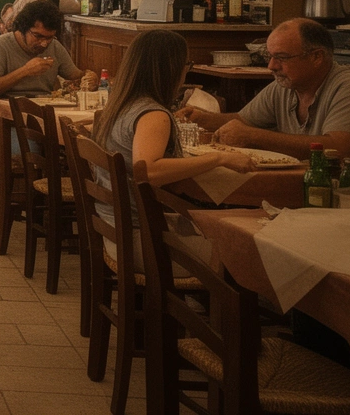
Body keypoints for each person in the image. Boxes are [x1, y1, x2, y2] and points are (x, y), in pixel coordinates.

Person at [91, 30, 253, 264]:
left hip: (114, 227)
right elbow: (149, 171)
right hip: (141, 240)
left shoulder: (122, 104)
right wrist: (219, 159)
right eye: (186, 63)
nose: (186, 70)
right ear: (171, 68)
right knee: (241, 251)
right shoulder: (152, 114)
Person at [177, 19, 350, 160]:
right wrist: (203, 119)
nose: (271, 66)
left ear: (316, 57)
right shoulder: (284, 86)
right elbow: (243, 121)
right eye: (270, 56)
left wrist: (254, 137)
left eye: (281, 57)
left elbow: (338, 148)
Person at [0, 0, 98, 102]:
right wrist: (25, 71)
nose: (44, 43)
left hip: (45, 110)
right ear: (23, 28)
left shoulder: (55, 46)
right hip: (8, 115)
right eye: (38, 36)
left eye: (49, 37)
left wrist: (88, 76)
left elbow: (75, 76)